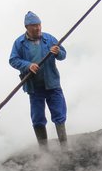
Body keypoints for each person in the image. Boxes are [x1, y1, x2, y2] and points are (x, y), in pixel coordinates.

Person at [9, 11, 68, 148]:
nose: (37, 28)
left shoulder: (49, 39)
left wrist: (57, 52)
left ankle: (64, 147)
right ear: (27, 27)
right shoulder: (19, 43)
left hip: (52, 84)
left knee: (59, 114)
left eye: (39, 25)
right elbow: (13, 60)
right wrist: (28, 65)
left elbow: (63, 55)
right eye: (34, 26)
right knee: (38, 118)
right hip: (34, 88)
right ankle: (44, 151)